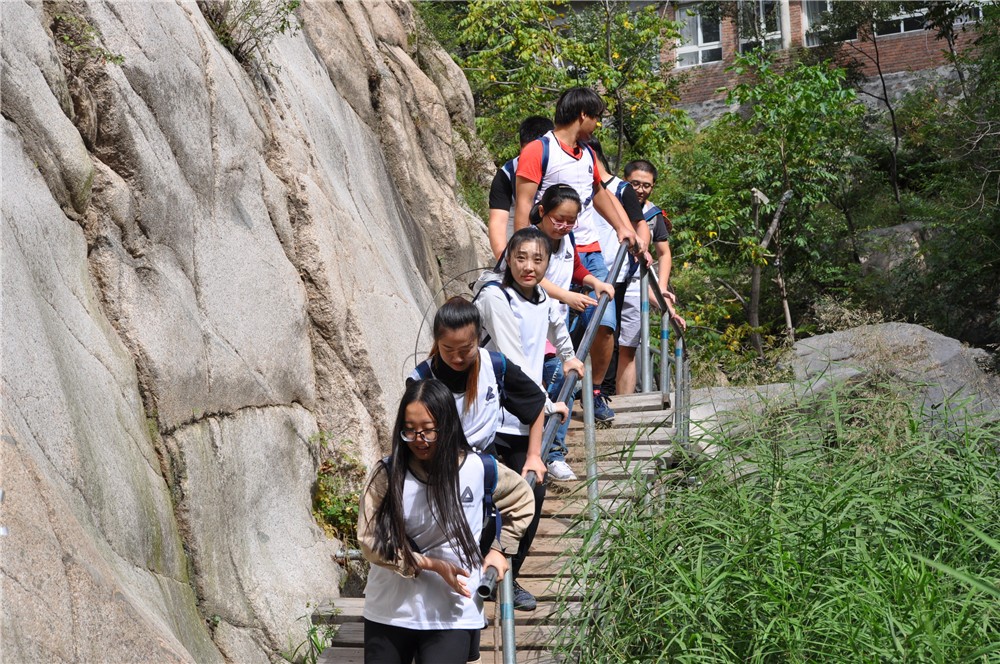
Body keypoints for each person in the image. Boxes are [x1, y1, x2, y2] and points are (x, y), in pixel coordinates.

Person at [359, 379, 535, 664]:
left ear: (447, 425)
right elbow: (369, 543)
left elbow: (522, 498)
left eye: (428, 430)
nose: (419, 439)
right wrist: (432, 565)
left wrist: (501, 549)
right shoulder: (387, 474)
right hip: (390, 609)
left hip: (454, 610)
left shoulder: (480, 469)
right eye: (410, 430)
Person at [409, 298, 565, 611]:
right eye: (447, 349)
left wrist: (534, 455)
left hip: (482, 458)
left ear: (478, 339)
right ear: (436, 342)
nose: (456, 357)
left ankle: (510, 573)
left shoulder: (495, 366)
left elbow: (535, 405)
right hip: (436, 463)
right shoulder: (421, 379)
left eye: (464, 349)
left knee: (531, 490)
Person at [513, 87, 649, 423]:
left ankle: (596, 390)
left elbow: (600, 194)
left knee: (604, 323)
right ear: (582, 115)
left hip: (587, 251)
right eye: (597, 117)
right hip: (548, 250)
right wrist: (523, 250)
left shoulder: (587, 154)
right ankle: (545, 406)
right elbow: (524, 206)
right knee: (547, 326)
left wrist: (622, 228)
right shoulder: (539, 150)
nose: (598, 125)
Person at [475, 226, 587, 484]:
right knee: (490, 490)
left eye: (538, 260)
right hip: (489, 410)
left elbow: (556, 324)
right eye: (521, 258)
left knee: (533, 489)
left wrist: (568, 356)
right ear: (508, 259)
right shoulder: (496, 296)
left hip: (523, 413)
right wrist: (545, 404)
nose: (529, 267)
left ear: (548, 263)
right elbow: (512, 357)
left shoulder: (541, 295)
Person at [526, 185, 616, 477]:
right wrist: (567, 296)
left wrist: (594, 282)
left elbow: (575, 266)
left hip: (555, 329)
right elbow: (528, 277)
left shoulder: (566, 239)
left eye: (570, 221)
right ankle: (543, 454)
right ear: (542, 212)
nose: (564, 226)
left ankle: (551, 454)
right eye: (558, 219)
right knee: (556, 382)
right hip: (528, 330)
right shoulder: (529, 240)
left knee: (563, 381)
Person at [616, 159, 685, 394]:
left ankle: (623, 405)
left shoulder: (654, 214)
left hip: (637, 286)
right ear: (625, 181)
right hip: (610, 280)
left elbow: (664, 253)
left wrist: (662, 288)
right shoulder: (610, 204)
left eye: (646, 185)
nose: (640, 189)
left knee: (628, 348)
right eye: (635, 183)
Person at [487, 115, 554, 260]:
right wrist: (504, 260)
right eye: (527, 153)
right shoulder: (507, 174)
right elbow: (498, 222)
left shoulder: (559, 167)